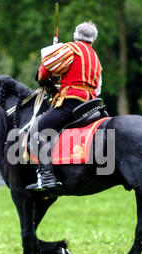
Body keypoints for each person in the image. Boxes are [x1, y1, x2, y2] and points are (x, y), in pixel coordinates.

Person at [26, 21, 102, 191]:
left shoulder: (71, 48)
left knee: (38, 131)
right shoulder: (95, 56)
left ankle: (47, 178)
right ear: (93, 40)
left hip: (71, 100)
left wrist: (52, 53)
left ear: (76, 35)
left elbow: (45, 71)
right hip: (90, 101)